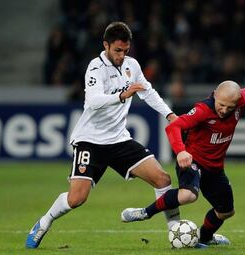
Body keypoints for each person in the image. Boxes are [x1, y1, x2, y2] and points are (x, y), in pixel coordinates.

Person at [25, 22, 180, 249]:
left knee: (163, 179)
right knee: (76, 198)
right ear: (106, 45)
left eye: (126, 51)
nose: (122, 55)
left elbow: (148, 92)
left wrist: (170, 115)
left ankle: (176, 235)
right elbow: (93, 101)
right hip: (90, 140)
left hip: (118, 139)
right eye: (118, 50)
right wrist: (122, 95)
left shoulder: (131, 65)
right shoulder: (95, 68)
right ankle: (44, 222)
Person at [121, 80, 245, 247]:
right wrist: (181, 151)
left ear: (238, 101)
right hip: (192, 161)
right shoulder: (202, 110)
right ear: (215, 95)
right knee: (188, 196)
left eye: (230, 107)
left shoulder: (242, 99)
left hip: (215, 168)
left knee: (226, 211)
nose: (224, 110)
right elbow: (173, 127)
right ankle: (145, 212)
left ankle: (204, 238)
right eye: (221, 104)